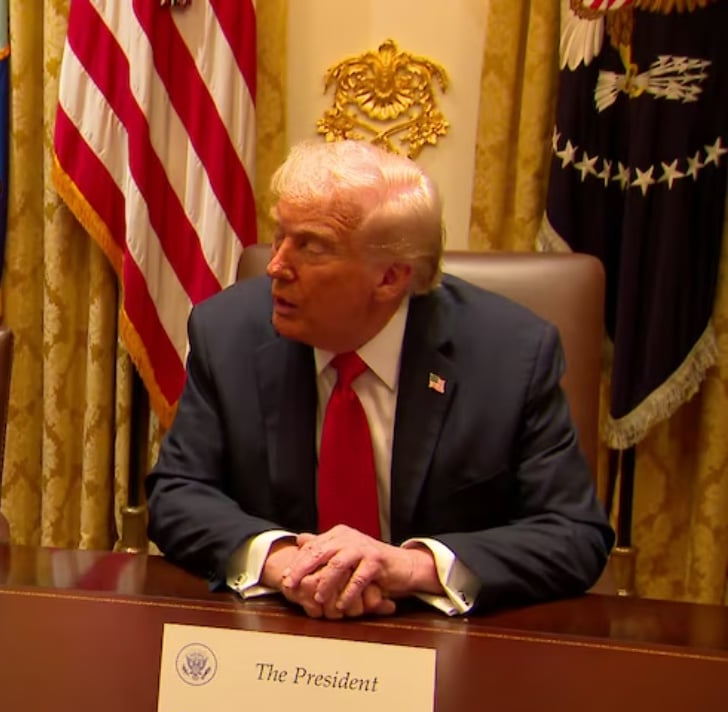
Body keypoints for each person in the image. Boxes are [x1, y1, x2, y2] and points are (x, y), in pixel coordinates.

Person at [146, 140, 614, 618]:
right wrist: (285, 562)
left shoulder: (510, 355)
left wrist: (410, 567)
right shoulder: (227, 334)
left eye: (311, 246)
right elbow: (177, 495)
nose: (276, 266)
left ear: (390, 278)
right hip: (278, 628)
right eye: (280, 235)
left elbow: (573, 533)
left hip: (437, 635)